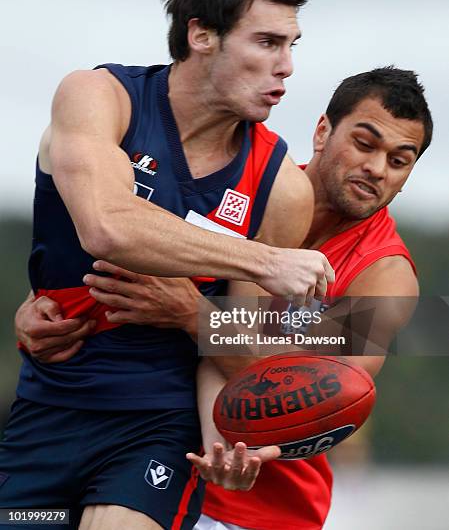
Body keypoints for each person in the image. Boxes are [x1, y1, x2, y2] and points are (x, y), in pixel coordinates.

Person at [0, 0, 335, 530]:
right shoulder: (100, 96)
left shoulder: (280, 185)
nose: (287, 66)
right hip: (46, 410)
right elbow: (108, 226)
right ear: (201, 34)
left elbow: (232, 344)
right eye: (267, 43)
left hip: (157, 426)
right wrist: (263, 260)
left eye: (291, 46)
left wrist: (220, 441)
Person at [15, 67, 433, 529]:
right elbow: (121, 256)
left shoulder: (386, 276)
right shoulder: (248, 187)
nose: (376, 168)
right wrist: (39, 308)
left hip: (257, 509)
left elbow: (316, 398)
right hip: (126, 458)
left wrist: (195, 316)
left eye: (399, 160)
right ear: (321, 131)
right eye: (364, 143)